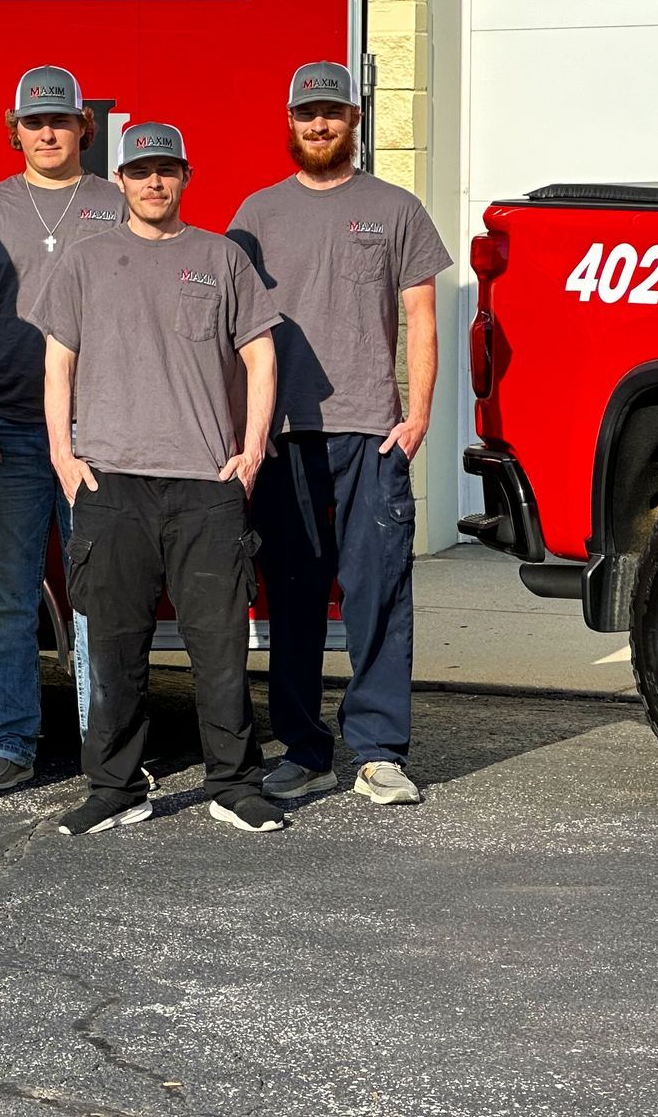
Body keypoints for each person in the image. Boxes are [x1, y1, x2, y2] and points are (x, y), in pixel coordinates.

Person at [43, 121, 285, 836]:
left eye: (166, 170)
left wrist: (253, 449)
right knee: (115, 649)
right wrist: (63, 452)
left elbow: (261, 358)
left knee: (219, 649)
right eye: (140, 171)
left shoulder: (221, 257)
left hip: (207, 484)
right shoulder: (86, 261)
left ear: (186, 176)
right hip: (111, 483)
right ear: (118, 180)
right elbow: (58, 362)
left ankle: (234, 783)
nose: (154, 182)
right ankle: (116, 788)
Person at [229, 61, 452, 807]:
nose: (319, 125)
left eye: (332, 113)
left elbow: (421, 316)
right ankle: (302, 749)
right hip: (285, 435)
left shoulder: (396, 209)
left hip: (370, 433)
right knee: (292, 597)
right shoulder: (256, 216)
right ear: (288, 122)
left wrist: (417, 415)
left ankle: (381, 752)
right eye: (306, 114)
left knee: (378, 591)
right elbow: (229, 332)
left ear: (355, 120)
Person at [0, 64, 122, 792]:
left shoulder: (119, 205)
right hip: (7, 431)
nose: (46, 132)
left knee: (101, 596)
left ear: (84, 126)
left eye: (60, 120)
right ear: (12, 129)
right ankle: (9, 742)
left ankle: (104, 745)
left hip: (99, 432)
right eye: (32, 122)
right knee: (9, 596)